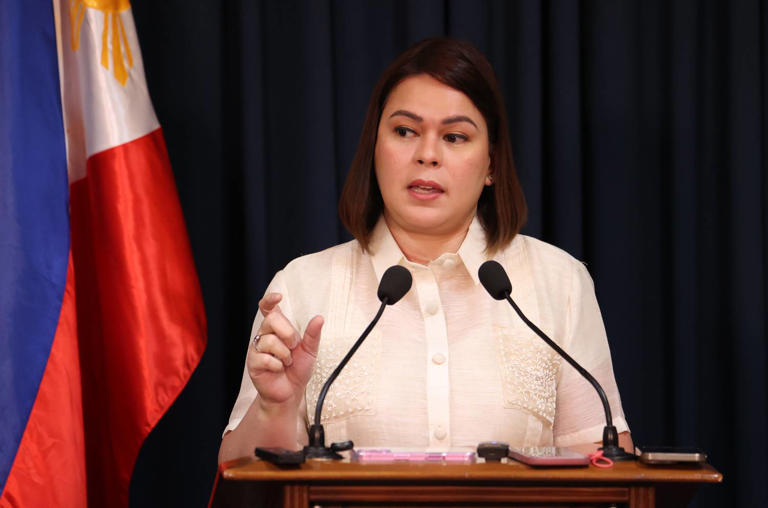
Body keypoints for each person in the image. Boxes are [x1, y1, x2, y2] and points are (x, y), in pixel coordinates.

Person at [219, 37, 631, 463]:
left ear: (491, 162)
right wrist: (275, 407)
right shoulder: (303, 287)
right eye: (404, 131)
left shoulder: (558, 282)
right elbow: (238, 478)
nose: (427, 155)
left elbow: (603, 465)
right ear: (374, 147)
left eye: (454, 137)